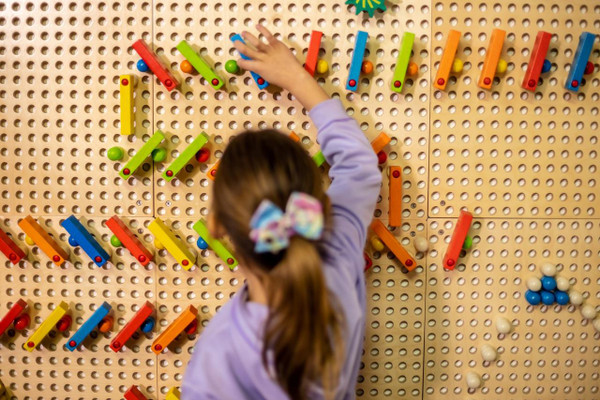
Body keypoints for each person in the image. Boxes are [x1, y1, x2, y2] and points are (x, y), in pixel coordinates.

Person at [182, 25, 381, 400]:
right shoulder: (336, 251)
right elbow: (359, 166)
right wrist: (296, 77)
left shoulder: (216, 359)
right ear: (314, 206)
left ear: (217, 225)